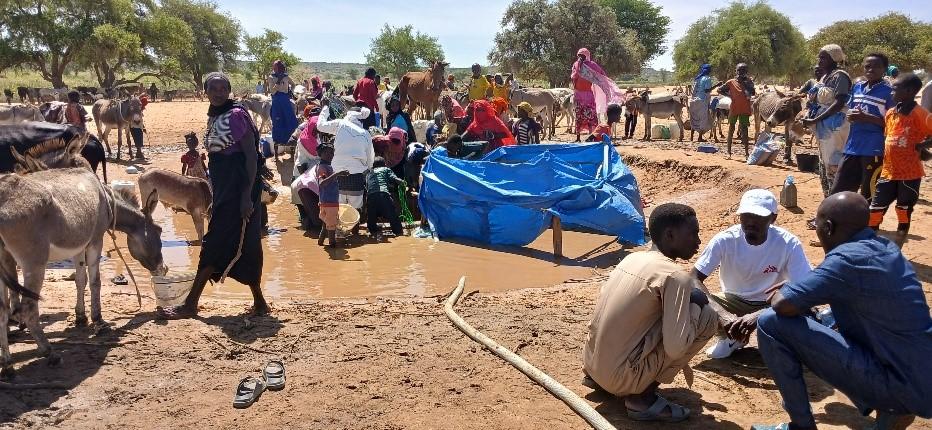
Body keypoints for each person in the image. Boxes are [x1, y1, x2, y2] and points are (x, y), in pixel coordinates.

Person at [751, 192, 932, 430]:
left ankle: (802, 426)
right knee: (835, 318)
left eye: (816, 225)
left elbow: (782, 305)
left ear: (828, 227)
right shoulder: (886, 249)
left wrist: (783, 292)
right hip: (921, 377)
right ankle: (893, 410)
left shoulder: (846, 261)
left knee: (770, 322)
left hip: (898, 384)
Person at [582, 203, 717, 423]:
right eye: (693, 233)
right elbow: (675, 348)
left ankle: (603, 380)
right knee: (708, 317)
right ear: (670, 235)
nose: (698, 241)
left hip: (593, 366)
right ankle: (642, 399)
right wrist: (695, 307)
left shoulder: (632, 258)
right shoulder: (675, 276)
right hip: (620, 379)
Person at [158, 72, 269, 319]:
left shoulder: (237, 115)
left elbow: (251, 158)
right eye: (213, 89)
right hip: (225, 191)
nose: (218, 93)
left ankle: (190, 304)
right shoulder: (216, 116)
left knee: (215, 242)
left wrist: (245, 197)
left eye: (222, 88)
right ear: (205, 92)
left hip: (239, 190)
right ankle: (260, 302)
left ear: (229, 90)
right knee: (246, 243)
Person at [691, 189, 811, 359]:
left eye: (759, 217)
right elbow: (693, 278)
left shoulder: (788, 243)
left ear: (773, 218)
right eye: (746, 215)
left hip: (774, 303)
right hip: (734, 300)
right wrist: (724, 316)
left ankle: (779, 341)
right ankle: (731, 336)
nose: (751, 222)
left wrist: (760, 315)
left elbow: (806, 286)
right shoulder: (725, 240)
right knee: (692, 304)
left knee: (805, 309)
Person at [868, 73, 932, 247]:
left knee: (903, 211)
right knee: (875, 210)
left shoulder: (921, 114)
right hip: (888, 171)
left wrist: (922, 145)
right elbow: (890, 138)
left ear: (910, 91)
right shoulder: (890, 113)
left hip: (909, 174)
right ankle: (868, 247)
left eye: (895, 89)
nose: (891, 92)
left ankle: (897, 248)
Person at [830, 53, 894, 202]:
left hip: (874, 149)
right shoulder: (858, 87)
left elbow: (893, 123)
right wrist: (851, 115)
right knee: (839, 188)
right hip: (852, 146)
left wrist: (865, 118)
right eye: (867, 66)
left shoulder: (889, 92)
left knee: (868, 192)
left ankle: (868, 224)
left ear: (884, 69)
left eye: (876, 66)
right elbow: (852, 112)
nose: (871, 69)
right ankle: (835, 220)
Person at [801, 44, 852, 198]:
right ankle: (828, 204)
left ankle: (835, 208)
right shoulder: (825, 77)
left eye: (823, 57)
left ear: (833, 58)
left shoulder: (840, 76)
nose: (820, 60)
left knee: (833, 166)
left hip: (835, 128)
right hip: (823, 129)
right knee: (824, 165)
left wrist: (816, 118)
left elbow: (839, 103)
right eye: (820, 56)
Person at [316, 100, 375, 214]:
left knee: (340, 210)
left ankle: (339, 230)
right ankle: (355, 230)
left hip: (337, 175)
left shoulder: (340, 124)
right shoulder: (366, 133)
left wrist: (325, 108)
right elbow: (370, 159)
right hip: (357, 177)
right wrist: (367, 171)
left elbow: (320, 125)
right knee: (355, 212)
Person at [571, 48, 626, 142]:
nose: (580, 57)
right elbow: (602, 75)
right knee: (587, 116)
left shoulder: (580, 65)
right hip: (586, 95)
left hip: (580, 94)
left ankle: (583, 137)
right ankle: (587, 136)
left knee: (582, 116)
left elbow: (573, 78)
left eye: (580, 55)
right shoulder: (588, 65)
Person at [718, 63, 755, 157]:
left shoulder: (749, 82)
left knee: (744, 130)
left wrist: (745, 84)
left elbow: (753, 92)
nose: (740, 73)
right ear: (736, 71)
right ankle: (728, 152)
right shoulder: (731, 82)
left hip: (744, 109)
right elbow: (719, 90)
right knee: (731, 129)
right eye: (739, 71)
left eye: (743, 71)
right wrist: (730, 96)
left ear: (746, 72)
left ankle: (747, 153)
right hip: (734, 108)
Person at [314, 143, 347, 247]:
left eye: (332, 152)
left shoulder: (326, 166)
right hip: (329, 203)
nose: (331, 155)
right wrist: (337, 174)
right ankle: (333, 245)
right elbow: (322, 183)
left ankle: (320, 242)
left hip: (326, 201)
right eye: (327, 152)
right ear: (321, 154)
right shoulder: (323, 167)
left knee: (326, 224)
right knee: (332, 225)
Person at [366, 156, 406, 240]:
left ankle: (373, 231)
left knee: (371, 217)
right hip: (383, 194)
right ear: (384, 164)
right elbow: (394, 178)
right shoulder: (386, 169)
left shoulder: (369, 173)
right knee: (392, 215)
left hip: (370, 196)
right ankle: (399, 233)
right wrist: (403, 183)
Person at [267, 60, 298, 159]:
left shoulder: (286, 76)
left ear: (279, 67)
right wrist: (279, 81)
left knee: (290, 121)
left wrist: (290, 92)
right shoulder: (271, 77)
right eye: (273, 67)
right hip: (276, 101)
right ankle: (277, 143)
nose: (273, 68)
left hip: (285, 100)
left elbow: (293, 84)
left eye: (275, 67)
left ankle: (290, 141)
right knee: (277, 122)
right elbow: (272, 91)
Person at [689, 64, 716, 142]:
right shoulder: (707, 78)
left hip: (693, 101)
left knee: (694, 119)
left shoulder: (697, 78)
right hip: (702, 101)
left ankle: (691, 137)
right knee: (702, 119)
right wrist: (717, 85)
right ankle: (700, 137)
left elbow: (693, 91)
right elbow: (707, 90)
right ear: (709, 70)